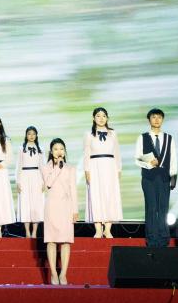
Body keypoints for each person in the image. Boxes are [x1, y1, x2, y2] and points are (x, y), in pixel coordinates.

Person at [134, 108, 177, 248]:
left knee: (163, 208)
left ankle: (164, 238)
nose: (157, 120)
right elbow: (137, 159)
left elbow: (173, 159)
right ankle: (151, 238)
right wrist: (148, 164)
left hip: (164, 177)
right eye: (154, 117)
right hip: (148, 178)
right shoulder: (142, 137)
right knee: (151, 208)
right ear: (149, 120)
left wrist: (173, 176)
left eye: (159, 117)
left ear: (162, 119)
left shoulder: (169, 138)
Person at [83, 107, 123, 238]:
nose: (101, 118)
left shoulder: (113, 133)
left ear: (107, 118)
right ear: (93, 118)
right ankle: (98, 229)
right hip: (94, 167)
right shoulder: (88, 134)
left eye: (104, 116)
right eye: (98, 116)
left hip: (110, 167)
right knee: (96, 196)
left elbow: (117, 152)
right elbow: (86, 154)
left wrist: (119, 169)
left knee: (110, 195)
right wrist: (86, 170)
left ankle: (108, 229)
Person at [42, 138, 78, 285]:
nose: (59, 151)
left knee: (65, 240)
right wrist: (57, 166)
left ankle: (63, 274)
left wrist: (75, 210)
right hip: (52, 206)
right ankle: (53, 273)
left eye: (61, 149)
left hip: (66, 206)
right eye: (56, 149)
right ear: (51, 152)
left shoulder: (71, 168)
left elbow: (73, 190)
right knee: (51, 240)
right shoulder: (46, 168)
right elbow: (48, 184)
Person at [17, 126, 44, 238]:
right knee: (25, 203)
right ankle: (27, 231)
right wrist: (18, 181)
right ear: (26, 135)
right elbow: (18, 166)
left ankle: (34, 232)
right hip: (24, 176)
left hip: (37, 176)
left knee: (36, 203)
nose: (31, 136)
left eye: (33, 134)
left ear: (36, 135)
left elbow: (42, 166)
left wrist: (44, 181)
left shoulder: (40, 149)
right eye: (29, 134)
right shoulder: (21, 148)